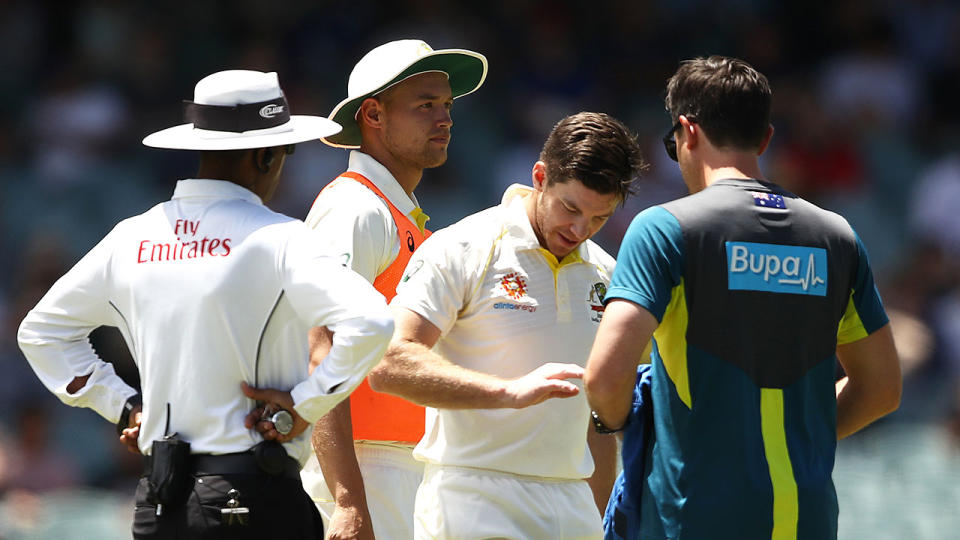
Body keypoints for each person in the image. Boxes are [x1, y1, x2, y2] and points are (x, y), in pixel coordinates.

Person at [16, 70, 395, 540]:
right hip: (254, 498)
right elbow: (373, 322)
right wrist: (304, 405)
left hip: (158, 501)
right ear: (266, 154)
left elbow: (41, 332)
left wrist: (124, 407)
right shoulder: (281, 238)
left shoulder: (133, 235)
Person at [584, 56, 902, 540]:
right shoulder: (836, 237)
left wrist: (619, 428)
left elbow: (605, 376)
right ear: (766, 138)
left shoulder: (665, 229)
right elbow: (881, 389)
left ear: (686, 132)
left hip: (692, 518)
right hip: (806, 520)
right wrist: (801, 438)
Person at [369, 111, 647, 539]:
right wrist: (508, 392)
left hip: (574, 505)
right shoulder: (462, 247)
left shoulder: (607, 273)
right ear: (540, 176)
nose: (579, 229)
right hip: (472, 497)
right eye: (569, 208)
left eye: (598, 218)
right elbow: (389, 363)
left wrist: (602, 513)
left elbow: (597, 420)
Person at [299, 39, 487, 540]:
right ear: (374, 114)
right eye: (425, 105)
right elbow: (321, 350)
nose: (444, 118)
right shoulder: (357, 209)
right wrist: (347, 500)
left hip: (397, 467)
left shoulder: (393, 210)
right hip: (366, 466)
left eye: (446, 105)